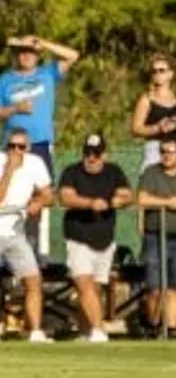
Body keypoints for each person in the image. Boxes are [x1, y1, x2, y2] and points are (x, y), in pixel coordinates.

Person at [0, 132, 53, 343]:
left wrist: (39, 201)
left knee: (33, 280)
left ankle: (35, 330)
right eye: (11, 146)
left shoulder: (35, 163)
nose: (15, 151)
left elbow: (48, 192)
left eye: (20, 147)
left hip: (15, 230)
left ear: (27, 148)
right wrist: (9, 170)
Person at [56, 132, 132, 342]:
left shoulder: (114, 172)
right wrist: (90, 204)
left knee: (93, 289)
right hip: (78, 237)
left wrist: (119, 199)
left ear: (104, 155)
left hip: (104, 238)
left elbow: (128, 193)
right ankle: (99, 330)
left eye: (96, 155)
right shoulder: (72, 172)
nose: (91, 159)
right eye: (87, 154)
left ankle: (85, 331)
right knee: (84, 283)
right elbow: (65, 197)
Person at [0, 34, 80, 175]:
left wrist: (43, 42)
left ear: (37, 55)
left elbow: (73, 55)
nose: (26, 55)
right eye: (22, 51)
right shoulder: (4, 80)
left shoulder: (47, 74)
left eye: (31, 52)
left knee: (43, 190)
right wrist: (14, 108)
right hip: (13, 144)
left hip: (40, 143)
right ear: (16, 54)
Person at [136, 136, 176, 336]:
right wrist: (168, 202)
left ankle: (170, 326)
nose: (166, 156)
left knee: (173, 286)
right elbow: (142, 198)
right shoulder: (152, 173)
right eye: (163, 151)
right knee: (154, 284)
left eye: (171, 151)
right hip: (155, 235)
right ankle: (152, 323)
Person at [129, 56, 176, 168]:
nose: (158, 74)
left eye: (162, 70)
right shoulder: (147, 99)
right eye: (154, 71)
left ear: (171, 74)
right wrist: (157, 128)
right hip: (154, 150)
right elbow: (135, 129)